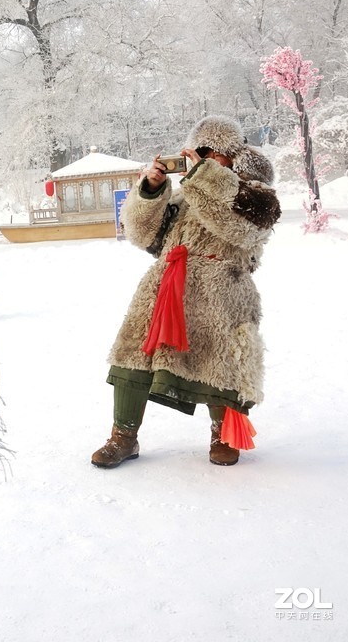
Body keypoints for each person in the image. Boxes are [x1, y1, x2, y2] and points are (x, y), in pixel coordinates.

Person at [91, 116, 281, 468]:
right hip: (165, 287)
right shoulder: (184, 197)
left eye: (213, 155)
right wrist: (150, 191)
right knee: (134, 356)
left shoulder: (257, 197)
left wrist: (203, 179)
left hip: (224, 291)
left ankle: (223, 435)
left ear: (232, 159)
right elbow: (142, 235)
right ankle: (123, 436)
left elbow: (237, 228)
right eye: (201, 154)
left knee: (222, 362)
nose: (205, 160)